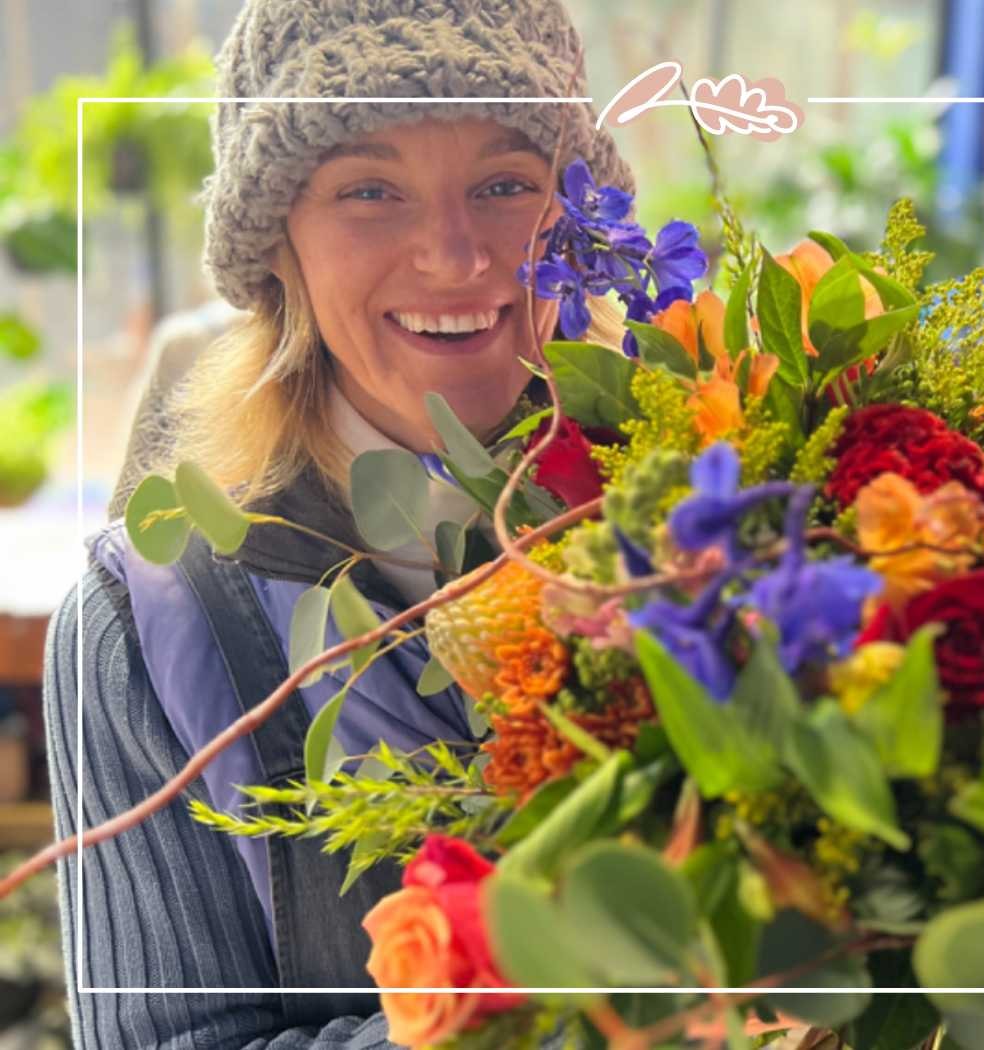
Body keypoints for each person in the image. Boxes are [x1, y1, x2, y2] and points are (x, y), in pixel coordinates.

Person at [42, 1, 633, 1045]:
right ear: (275, 244)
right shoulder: (143, 626)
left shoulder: (726, 511)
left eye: (505, 184)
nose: (454, 257)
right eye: (370, 191)